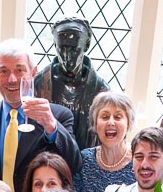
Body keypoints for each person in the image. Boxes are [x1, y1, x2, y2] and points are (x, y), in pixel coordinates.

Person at [0, 39, 80, 189]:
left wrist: (51, 126)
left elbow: (74, 165)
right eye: (4, 71)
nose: (12, 79)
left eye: (19, 70)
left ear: (33, 73)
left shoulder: (59, 116)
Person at [32, 16, 109, 151]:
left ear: (86, 45)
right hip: (47, 164)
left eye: (74, 49)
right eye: (62, 48)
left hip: (86, 165)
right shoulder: (39, 83)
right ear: (55, 45)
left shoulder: (100, 90)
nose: (67, 57)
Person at [74, 91, 136, 192]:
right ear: (95, 124)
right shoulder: (84, 159)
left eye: (118, 117)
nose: (111, 122)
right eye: (105, 117)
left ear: (128, 124)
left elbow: (158, 189)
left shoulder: (140, 160)